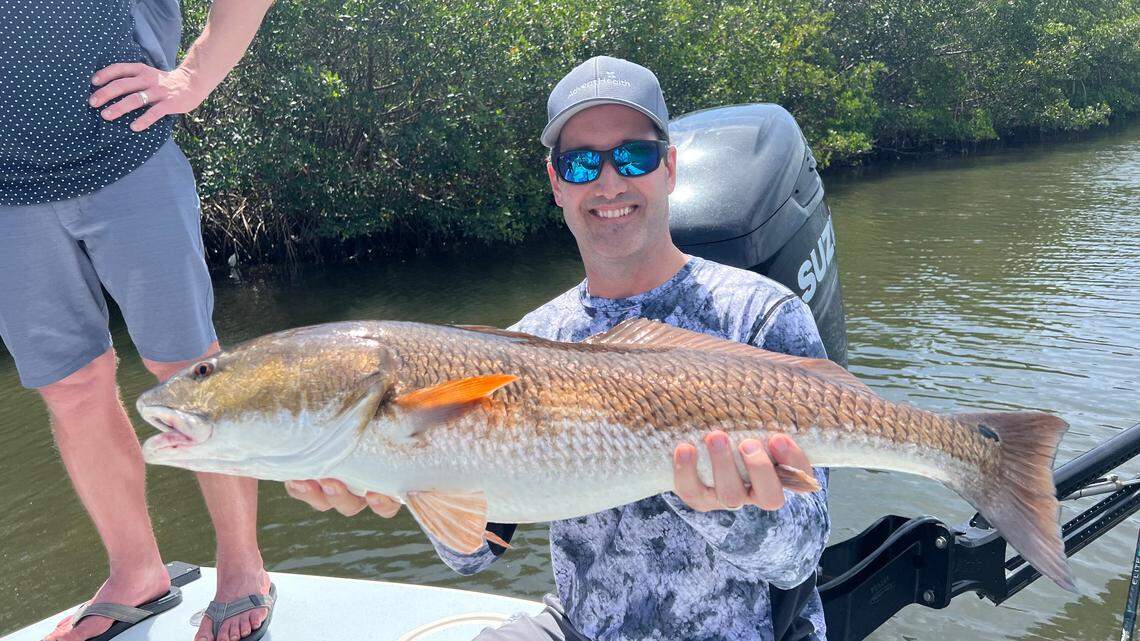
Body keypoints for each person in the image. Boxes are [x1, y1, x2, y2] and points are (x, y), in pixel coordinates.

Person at [286, 56, 831, 641]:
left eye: (634, 155)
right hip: (578, 627)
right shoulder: (530, 341)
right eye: (580, 163)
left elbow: (797, 558)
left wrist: (719, 502)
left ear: (669, 168)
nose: (609, 181)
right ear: (555, 184)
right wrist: (396, 472)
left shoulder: (762, 316)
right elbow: (478, 553)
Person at [0, 1, 277, 640]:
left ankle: (244, 569)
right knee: (69, 388)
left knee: (192, 372)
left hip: (129, 159)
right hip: (8, 200)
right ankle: (136, 573)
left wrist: (194, 76)